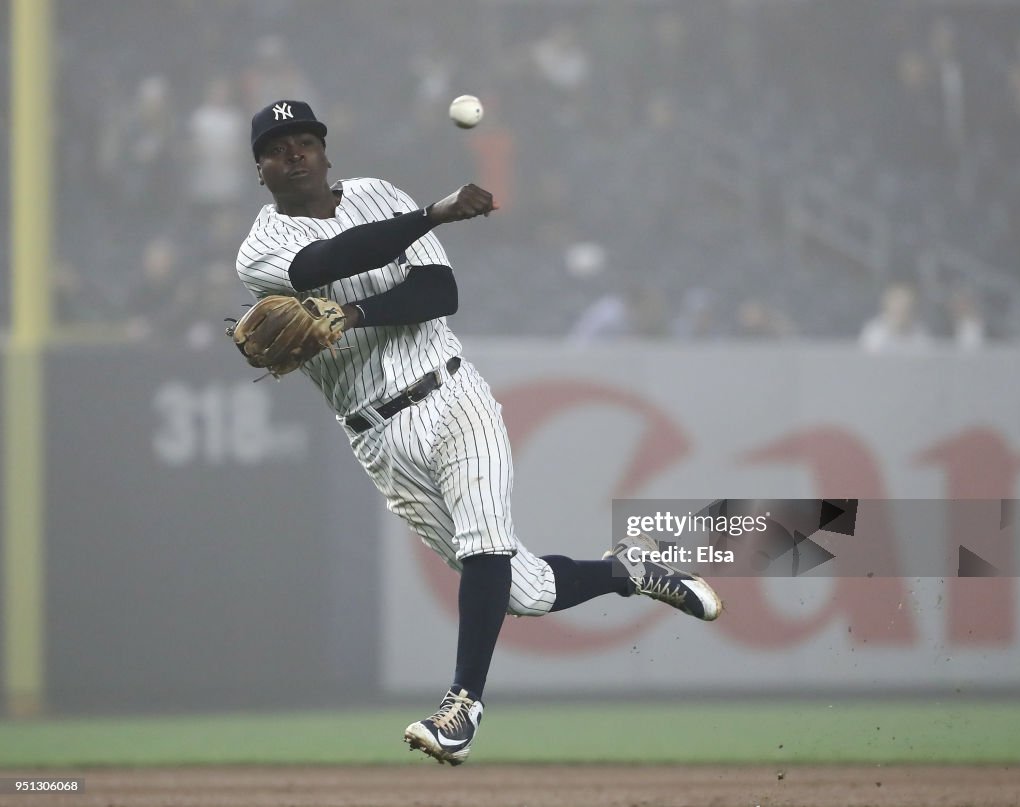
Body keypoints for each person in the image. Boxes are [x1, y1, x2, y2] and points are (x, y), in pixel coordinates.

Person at [234, 100, 722, 766]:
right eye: (275, 147)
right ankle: (626, 569)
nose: (292, 154)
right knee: (521, 590)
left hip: (450, 392)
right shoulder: (258, 248)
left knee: (486, 538)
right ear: (258, 170)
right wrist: (432, 215)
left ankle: (462, 703)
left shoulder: (380, 194)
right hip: (375, 438)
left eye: (305, 140)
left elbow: (439, 292)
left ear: (325, 151)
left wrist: (357, 311)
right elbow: (326, 260)